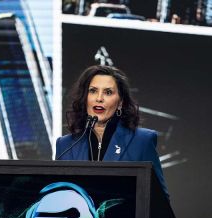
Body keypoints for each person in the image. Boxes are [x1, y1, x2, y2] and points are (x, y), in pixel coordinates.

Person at [55, 65, 169, 199]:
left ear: (120, 103)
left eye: (108, 92)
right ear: (85, 98)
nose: (99, 98)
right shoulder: (65, 145)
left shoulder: (142, 141)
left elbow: (160, 199)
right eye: (93, 91)